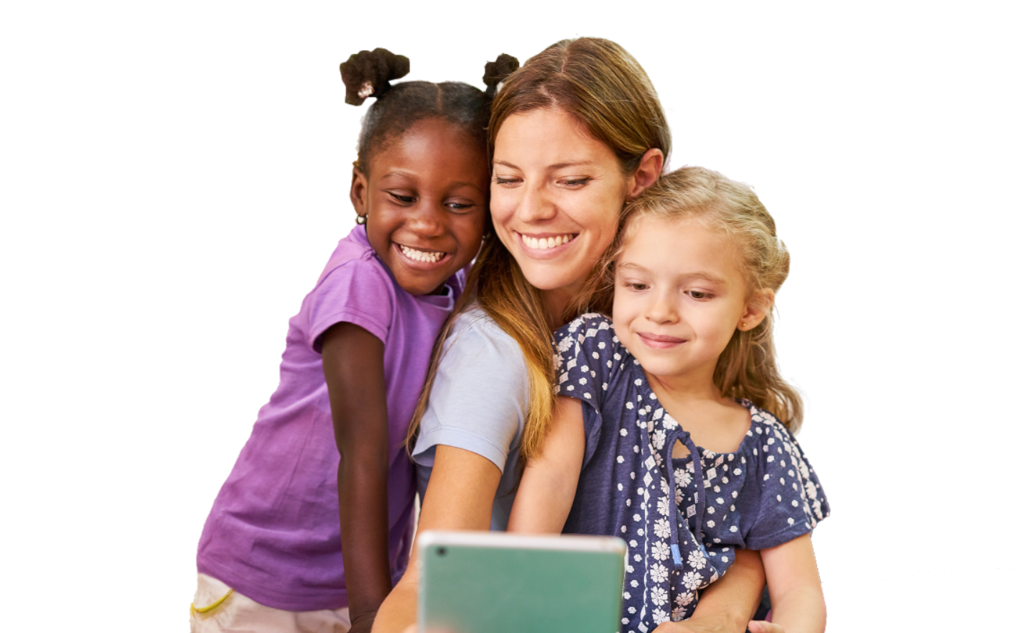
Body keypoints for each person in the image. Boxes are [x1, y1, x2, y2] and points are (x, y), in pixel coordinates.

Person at [374, 37, 778, 633]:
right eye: (508, 179)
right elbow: (430, 583)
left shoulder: (663, 327)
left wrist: (725, 610)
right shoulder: (496, 354)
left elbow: (750, 506)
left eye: (569, 181)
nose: (532, 209)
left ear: (642, 176)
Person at [190, 48, 491, 633]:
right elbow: (364, 452)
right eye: (403, 197)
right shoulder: (359, 283)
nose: (428, 223)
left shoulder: (456, 284)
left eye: (459, 204)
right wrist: (371, 615)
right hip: (267, 571)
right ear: (359, 192)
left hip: (357, 571)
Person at [508, 166, 830, 633]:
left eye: (697, 293)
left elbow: (799, 589)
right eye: (637, 285)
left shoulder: (765, 445)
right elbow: (552, 476)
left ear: (751, 309)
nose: (659, 312)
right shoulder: (598, 356)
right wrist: (515, 588)